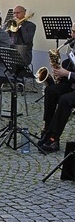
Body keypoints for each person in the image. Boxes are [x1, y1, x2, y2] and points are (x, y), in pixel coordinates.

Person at [38, 23, 75, 152]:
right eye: (72, 31)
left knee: (65, 100)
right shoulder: (72, 46)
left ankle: (54, 138)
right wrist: (60, 71)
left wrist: (67, 74)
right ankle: (47, 129)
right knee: (51, 90)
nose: (72, 35)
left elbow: (70, 72)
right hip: (71, 83)